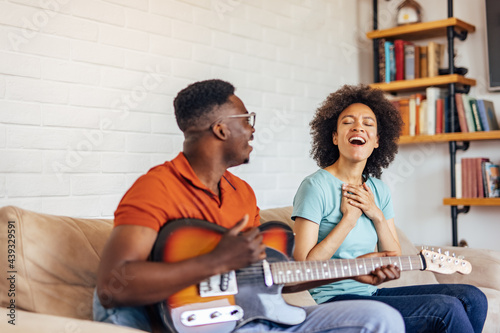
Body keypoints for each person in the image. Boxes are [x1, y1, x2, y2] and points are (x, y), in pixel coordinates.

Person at [93, 79, 406, 332]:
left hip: (253, 316)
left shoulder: (241, 193)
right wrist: (216, 261)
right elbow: (112, 286)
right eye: (246, 120)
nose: (253, 129)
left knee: (380, 318)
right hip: (201, 324)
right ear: (221, 129)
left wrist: (350, 271)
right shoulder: (156, 187)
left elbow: (268, 277)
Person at [292, 84, 488, 333]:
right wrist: (348, 222)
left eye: (368, 123)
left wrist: (376, 214)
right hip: (331, 302)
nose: (358, 127)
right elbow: (302, 267)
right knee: (445, 308)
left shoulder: (378, 190)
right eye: (347, 122)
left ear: (376, 141)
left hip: (371, 293)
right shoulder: (315, 186)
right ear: (333, 137)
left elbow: (392, 256)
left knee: (472, 297)